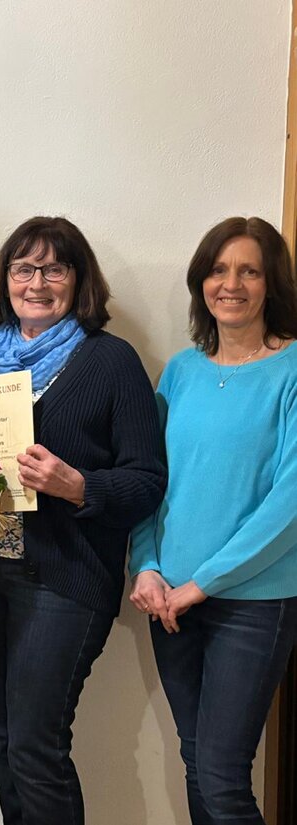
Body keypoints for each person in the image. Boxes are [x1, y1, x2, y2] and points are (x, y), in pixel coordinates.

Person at [0, 216, 165, 824]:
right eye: (23, 268)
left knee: (36, 748)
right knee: (3, 742)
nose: (37, 282)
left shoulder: (110, 361)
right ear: (5, 279)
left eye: (54, 268)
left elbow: (147, 480)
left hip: (64, 581)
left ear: (77, 281)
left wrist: (77, 484)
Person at [129, 216, 297, 825]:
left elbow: (290, 503)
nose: (233, 284)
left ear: (271, 283)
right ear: (202, 282)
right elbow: (149, 480)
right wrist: (146, 566)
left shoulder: (293, 370)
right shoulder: (180, 371)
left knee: (224, 782)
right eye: (220, 270)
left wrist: (205, 583)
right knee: (198, 766)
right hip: (169, 601)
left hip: (250, 604)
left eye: (250, 270)